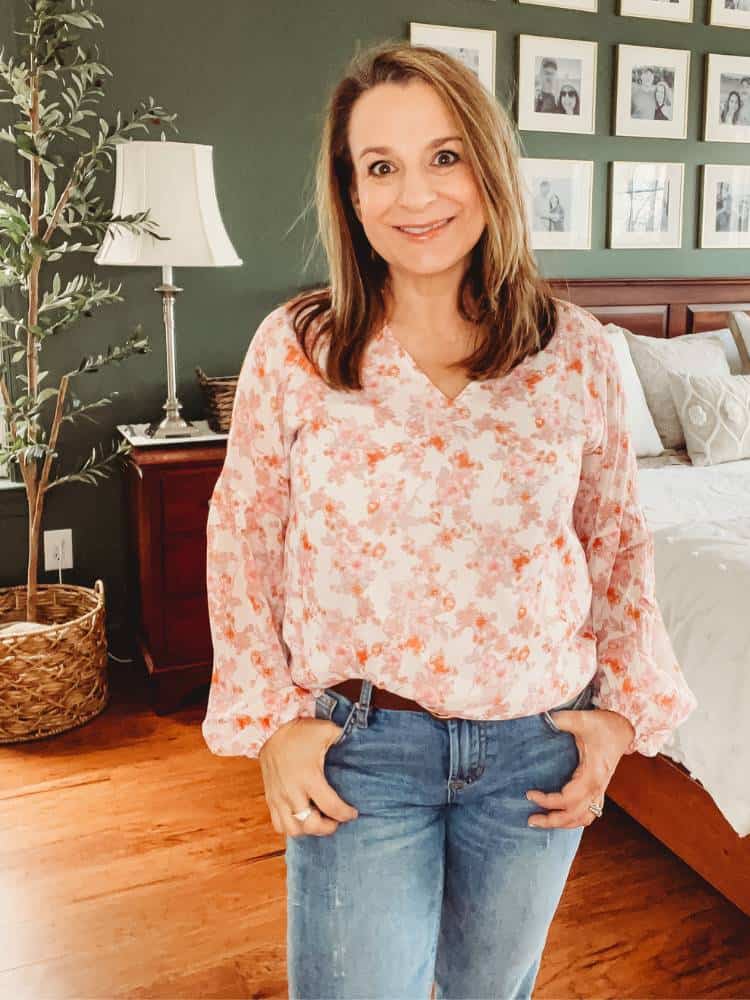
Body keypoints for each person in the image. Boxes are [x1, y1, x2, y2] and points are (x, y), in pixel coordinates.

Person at [202, 40, 698, 1000]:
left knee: (490, 992)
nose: (415, 195)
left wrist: (617, 719)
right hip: (360, 747)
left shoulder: (578, 352)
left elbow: (617, 542)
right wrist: (271, 725)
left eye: (444, 156)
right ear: (349, 193)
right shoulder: (296, 349)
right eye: (379, 167)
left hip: (533, 750)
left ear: (488, 166)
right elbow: (242, 538)